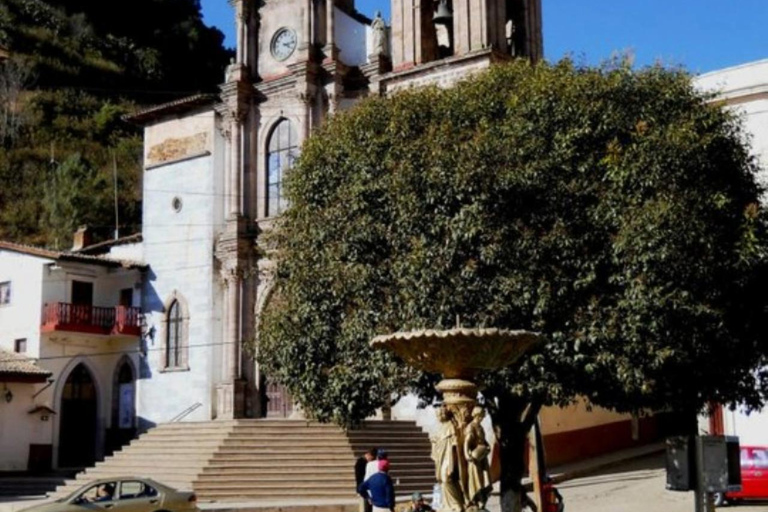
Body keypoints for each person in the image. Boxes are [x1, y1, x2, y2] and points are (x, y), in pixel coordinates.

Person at [356, 448, 378, 512]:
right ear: (369, 455)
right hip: (363, 489)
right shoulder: (361, 462)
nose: (371, 460)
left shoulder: (365, 462)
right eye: (372, 458)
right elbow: (360, 477)